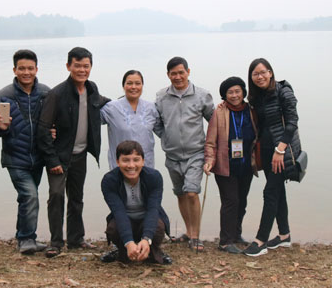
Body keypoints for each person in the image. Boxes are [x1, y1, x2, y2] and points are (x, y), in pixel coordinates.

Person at [37, 47, 109, 257]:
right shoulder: (57, 94)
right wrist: (52, 160)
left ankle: (76, 239)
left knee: (77, 198)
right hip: (59, 157)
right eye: (77, 65)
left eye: (86, 66)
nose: (82, 70)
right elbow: (43, 129)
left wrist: (126, 103)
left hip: (81, 155)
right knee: (56, 196)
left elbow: (102, 102)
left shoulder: (92, 89)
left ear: (91, 67)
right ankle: (56, 242)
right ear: (68, 66)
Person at [0, 49, 50, 255]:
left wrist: (54, 131)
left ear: (36, 69)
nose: (26, 72)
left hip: (39, 157)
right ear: (14, 70)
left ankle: (23, 236)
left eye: (30, 68)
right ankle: (26, 239)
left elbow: (54, 121)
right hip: (15, 157)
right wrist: (1, 127)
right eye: (22, 68)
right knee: (30, 196)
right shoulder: (3, 95)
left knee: (26, 198)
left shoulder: (46, 93)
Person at [154, 56, 214, 251]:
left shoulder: (202, 95)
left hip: (196, 153)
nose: (178, 77)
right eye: (174, 73)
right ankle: (188, 231)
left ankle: (196, 236)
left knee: (191, 192)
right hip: (172, 155)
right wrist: (166, 137)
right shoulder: (161, 97)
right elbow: (157, 123)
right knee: (180, 194)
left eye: (181, 72)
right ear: (168, 75)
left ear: (188, 72)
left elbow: (213, 122)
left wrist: (211, 149)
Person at [242, 58, 297, 257]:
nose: (260, 77)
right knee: (278, 190)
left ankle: (261, 240)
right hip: (265, 151)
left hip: (280, 151)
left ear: (271, 72)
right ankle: (284, 235)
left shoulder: (284, 92)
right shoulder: (257, 97)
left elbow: (292, 123)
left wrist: (280, 150)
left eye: (263, 72)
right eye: (255, 74)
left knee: (270, 192)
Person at [203, 77, 257, 254]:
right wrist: (209, 161)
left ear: (243, 92)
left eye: (237, 91)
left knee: (242, 201)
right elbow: (210, 141)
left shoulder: (251, 110)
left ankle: (236, 234)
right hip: (225, 166)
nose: (234, 95)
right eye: (230, 92)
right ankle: (225, 242)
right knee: (230, 201)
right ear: (224, 95)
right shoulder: (219, 112)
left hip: (246, 165)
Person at [100, 140, 172, 265]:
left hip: (147, 218)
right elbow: (119, 212)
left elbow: (153, 209)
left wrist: (146, 239)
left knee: (158, 227)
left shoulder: (154, 177)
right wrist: (128, 242)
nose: (131, 165)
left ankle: (153, 250)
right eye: (125, 160)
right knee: (114, 229)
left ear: (143, 161)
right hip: (125, 218)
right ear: (117, 162)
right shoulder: (109, 180)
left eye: (136, 160)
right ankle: (122, 250)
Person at [101, 70, 159, 170]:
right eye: (129, 83)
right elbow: (90, 121)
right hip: (121, 165)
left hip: (146, 164)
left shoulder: (151, 108)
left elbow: (164, 131)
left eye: (137, 83)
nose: (133, 87)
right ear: (123, 86)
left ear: (142, 86)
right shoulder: (111, 108)